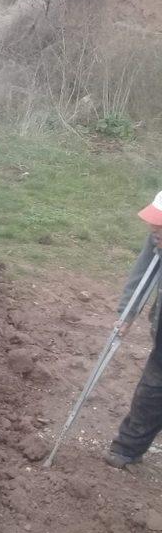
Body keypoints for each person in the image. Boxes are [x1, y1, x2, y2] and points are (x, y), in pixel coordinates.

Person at [106, 190, 162, 469]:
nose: (155, 229)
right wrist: (127, 314)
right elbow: (143, 272)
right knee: (153, 389)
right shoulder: (157, 237)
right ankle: (128, 447)